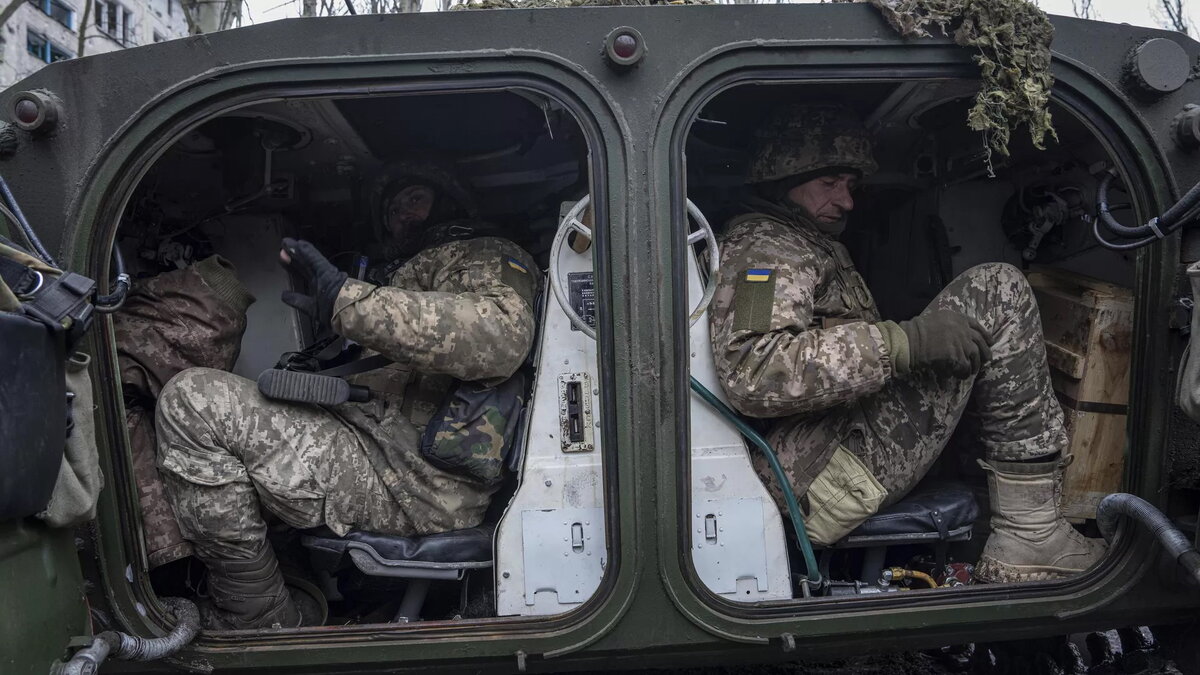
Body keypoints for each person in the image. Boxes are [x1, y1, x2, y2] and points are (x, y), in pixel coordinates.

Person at [708, 104, 1106, 584]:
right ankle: (1031, 531)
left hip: (825, 457)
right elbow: (754, 370)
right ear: (782, 177)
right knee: (995, 289)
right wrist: (901, 343)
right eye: (830, 182)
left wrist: (908, 343)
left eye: (851, 186)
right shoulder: (765, 249)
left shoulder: (801, 243)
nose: (848, 200)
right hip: (819, 477)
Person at [156, 162, 539, 629]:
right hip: (381, 453)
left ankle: (254, 619)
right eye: (394, 210)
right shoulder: (408, 272)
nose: (404, 215)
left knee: (195, 400)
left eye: (415, 198)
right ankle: (296, 597)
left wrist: (348, 302)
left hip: (417, 483)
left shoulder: (483, 251)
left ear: (449, 201)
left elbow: (500, 337)